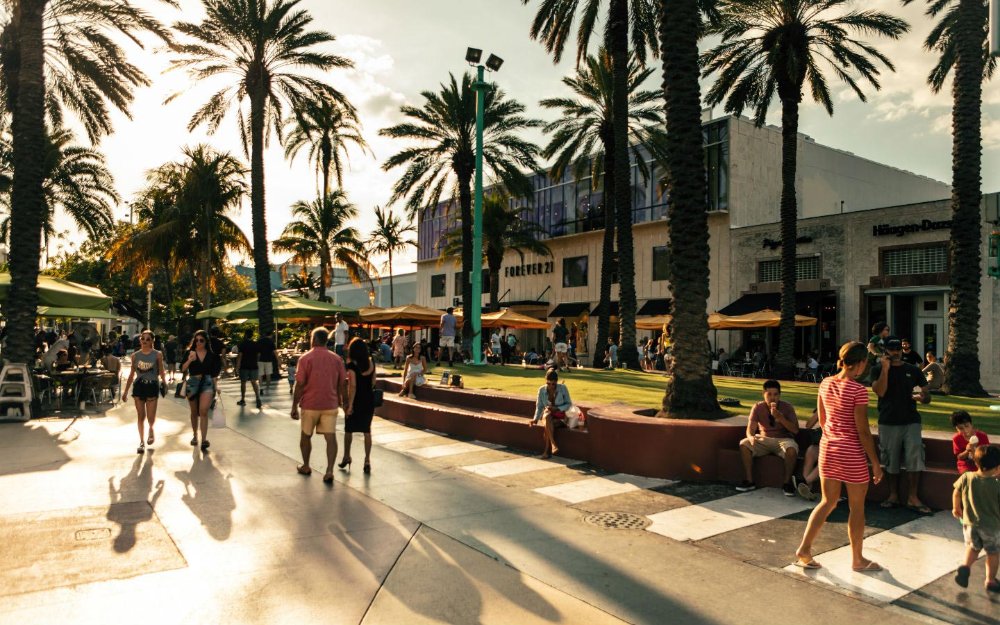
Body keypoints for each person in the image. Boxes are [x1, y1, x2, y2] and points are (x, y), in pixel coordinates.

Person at [794, 341, 883, 572]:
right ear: (861, 363)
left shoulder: (825, 383)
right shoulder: (858, 390)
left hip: (829, 448)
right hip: (851, 452)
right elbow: (863, 431)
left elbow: (822, 421)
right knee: (857, 508)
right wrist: (875, 462)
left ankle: (804, 548)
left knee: (827, 502)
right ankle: (857, 560)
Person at [871, 336, 932, 514]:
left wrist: (924, 398)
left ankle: (913, 497)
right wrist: (885, 369)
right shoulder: (877, 369)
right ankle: (893, 495)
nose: (896, 352)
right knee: (890, 459)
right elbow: (880, 391)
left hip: (911, 420)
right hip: (888, 420)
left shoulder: (913, 370)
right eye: (891, 349)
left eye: (898, 349)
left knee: (915, 456)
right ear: (885, 351)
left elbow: (927, 395)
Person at [291, 327, 347, 483]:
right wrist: (345, 402)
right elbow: (343, 383)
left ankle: (306, 466)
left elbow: (300, 384)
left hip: (310, 405)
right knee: (331, 438)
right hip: (330, 404)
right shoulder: (336, 359)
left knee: (305, 436)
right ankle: (329, 471)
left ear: (314, 339)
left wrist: (294, 406)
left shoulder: (305, 358)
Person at [735, 380, 800, 495]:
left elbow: (795, 430)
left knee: (792, 450)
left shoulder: (787, 407)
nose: (772, 398)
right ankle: (750, 481)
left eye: (775, 394)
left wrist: (780, 418)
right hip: (763, 439)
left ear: (779, 395)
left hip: (783, 439)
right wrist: (750, 437)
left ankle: (787, 484)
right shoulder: (757, 407)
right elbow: (750, 428)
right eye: (769, 394)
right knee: (743, 444)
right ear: (763, 394)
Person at [953, 445, 1000, 592]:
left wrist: (956, 508)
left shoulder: (967, 477)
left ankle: (965, 566)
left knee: (973, 547)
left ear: (975, 462)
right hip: (991, 527)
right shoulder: (997, 485)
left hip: (970, 524)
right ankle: (990, 581)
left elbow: (956, 492)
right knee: (992, 553)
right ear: (998, 468)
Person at [120, 330, 166, 454]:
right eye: (143, 338)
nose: (145, 341)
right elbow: (131, 375)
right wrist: (125, 392)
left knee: (150, 417)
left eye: (148, 339)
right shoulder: (135, 356)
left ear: (152, 341)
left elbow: (161, 371)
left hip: (152, 386)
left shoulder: (157, 354)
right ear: (140, 340)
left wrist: (164, 382)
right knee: (141, 416)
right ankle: (141, 441)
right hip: (139, 387)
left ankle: (151, 429)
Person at [182, 330, 222, 451]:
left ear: (206, 342)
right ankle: (195, 435)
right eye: (196, 340)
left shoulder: (212, 355)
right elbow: (182, 368)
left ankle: (204, 440)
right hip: (193, 382)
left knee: (203, 411)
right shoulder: (190, 353)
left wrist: (216, 386)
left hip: (207, 383)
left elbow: (215, 373)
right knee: (194, 412)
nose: (198, 342)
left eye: (201, 340)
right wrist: (189, 360)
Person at [342, 337, 375, 474]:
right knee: (367, 430)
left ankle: (347, 456)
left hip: (356, 401)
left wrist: (350, 405)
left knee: (349, 430)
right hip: (368, 400)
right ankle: (367, 459)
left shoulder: (351, 365)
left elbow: (353, 386)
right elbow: (373, 381)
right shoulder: (371, 362)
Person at [532, 368, 572, 458]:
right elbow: (539, 406)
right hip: (548, 416)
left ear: (556, 382)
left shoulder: (563, 388)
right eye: (548, 383)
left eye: (553, 384)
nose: (550, 386)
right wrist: (535, 419)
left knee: (548, 425)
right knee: (547, 416)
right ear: (545, 381)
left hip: (561, 417)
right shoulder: (541, 390)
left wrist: (557, 408)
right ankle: (553, 445)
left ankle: (546, 451)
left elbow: (569, 404)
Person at [951, 410, 991, 474]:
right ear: (956, 428)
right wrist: (967, 451)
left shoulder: (982, 436)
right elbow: (959, 457)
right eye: (961, 428)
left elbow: (988, 455)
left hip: (981, 463)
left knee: (985, 473)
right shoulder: (956, 438)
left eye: (967, 426)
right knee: (968, 476)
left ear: (971, 424)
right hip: (965, 464)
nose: (965, 430)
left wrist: (976, 451)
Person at [797, 410, 822, 500]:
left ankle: (805, 482)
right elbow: (808, 425)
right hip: (823, 442)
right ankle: (808, 489)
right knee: (811, 451)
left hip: (837, 447)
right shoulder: (825, 404)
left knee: (827, 457)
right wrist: (819, 411)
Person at [234, 329, 262, 409]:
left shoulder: (242, 344)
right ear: (252, 335)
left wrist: (237, 367)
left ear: (245, 335)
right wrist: (256, 361)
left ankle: (243, 399)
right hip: (254, 365)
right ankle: (258, 398)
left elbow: (240, 356)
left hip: (244, 366)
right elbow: (259, 355)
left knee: (243, 382)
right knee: (254, 382)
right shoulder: (255, 344)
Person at [257, 330, 277, 396]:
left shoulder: (260, 341)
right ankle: (267, 388)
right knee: (268, 375)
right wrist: (279, 360)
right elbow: (275, 352)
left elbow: (258, 352)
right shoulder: (271, 342)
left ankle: (261, 388)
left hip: (260, 360)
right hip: (268, 360)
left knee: (260, 375)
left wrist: (257, 359)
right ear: (271, 335)